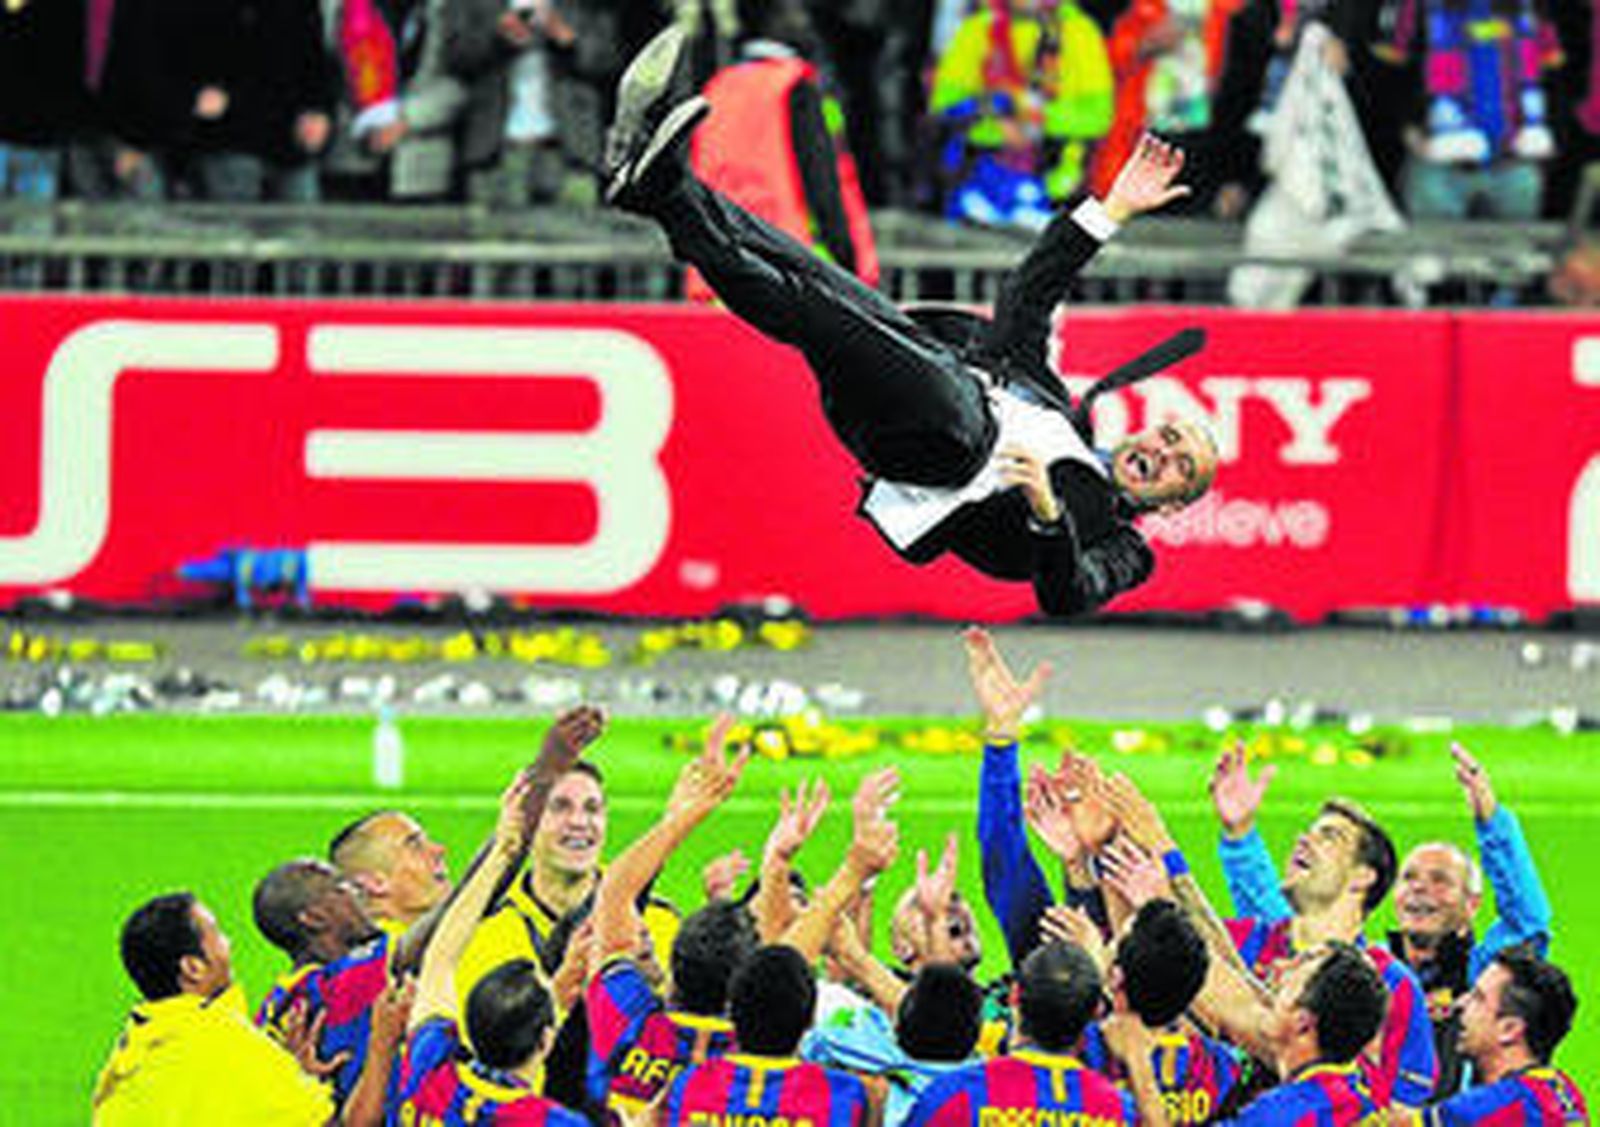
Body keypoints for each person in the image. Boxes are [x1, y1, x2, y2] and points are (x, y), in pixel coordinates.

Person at [602, 24, 1219, 618]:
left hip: (948, 445)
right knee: (810, 283)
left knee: (828, 313)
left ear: (1173, 505)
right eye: (1170, 439)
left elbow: (1068, 594)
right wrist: (1111, 210)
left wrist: (1046, 513)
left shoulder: (1124, 546)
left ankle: (664, 192)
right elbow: (1031, 292)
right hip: (922, 385)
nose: (1164, 455)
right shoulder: (1049, 400)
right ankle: (660, 187)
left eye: (1181, 467)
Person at [1212, 740, 1552, 1095]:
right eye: (1410, 878)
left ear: (1472, 904)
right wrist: (1240, 838)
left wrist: (1492, 822)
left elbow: (1526, 925)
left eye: (1440, 881)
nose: (1420, 889)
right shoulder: (1351, 961)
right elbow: (1289, 919)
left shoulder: (1467, 977)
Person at [92, 892, 405, 1126]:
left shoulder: (137, 1046)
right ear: (193, 968)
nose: (229, 943)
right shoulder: (225, 1045)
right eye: (215, 934)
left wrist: (293, 1077)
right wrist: (382, 1042)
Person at [393, 765, 591, 1125]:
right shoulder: (554, 1121)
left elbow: (440, 959)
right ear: (547, 1040)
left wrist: (502, 851)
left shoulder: (429, 1068)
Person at [584, 714, 756, 1121]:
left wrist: (687, 815)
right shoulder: (752, 1056)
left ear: (673, 963)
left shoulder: (629, 1016)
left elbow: (614, 893)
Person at [456, 708, 681, 1005]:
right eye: (560, 806)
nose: (579, 822)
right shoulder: (488, 937)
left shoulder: (660, 924)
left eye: (592, 809)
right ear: (527, 819)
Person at [902, 941, 1162, 1125]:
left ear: (1014, 995)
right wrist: (1139, 1064)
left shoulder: (954, 1095)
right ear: (1095, 1011)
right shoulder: (1122, 1112)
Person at [1427, 947, 1587, 1125]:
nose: (1460, 1003)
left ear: (1509, 1029)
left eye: (1478, 998)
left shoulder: (1477, 1111)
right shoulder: (1566, 1092)